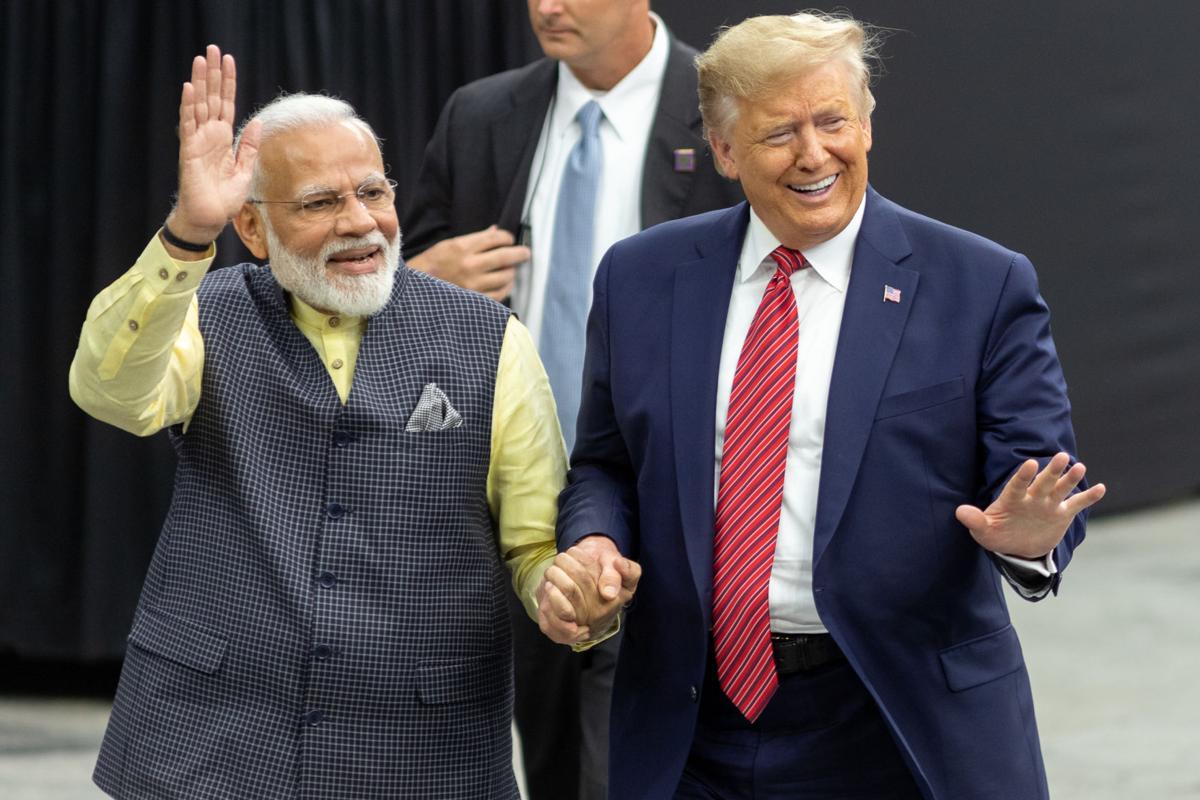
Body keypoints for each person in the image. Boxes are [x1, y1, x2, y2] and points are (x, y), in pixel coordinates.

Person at [539, 11, 1108, 800]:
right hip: (690, 724)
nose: (815, 155)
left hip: (896, 724)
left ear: (867, 123)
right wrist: (595, 541)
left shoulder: (980, 285)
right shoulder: (641, 278)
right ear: (726, 150)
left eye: (833, 121)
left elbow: (1039, 481)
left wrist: (1028, 538)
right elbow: (605, 461)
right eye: (779, 134)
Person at [69, 45, 566, 799]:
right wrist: (185, 235)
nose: (361, 222)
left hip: (423, 749)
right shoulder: (204, 312)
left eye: (373, 191)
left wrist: (572, 594)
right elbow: (109, 391)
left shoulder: (490, 338)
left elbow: (535, 543)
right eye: (320, 202)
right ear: (253, 228)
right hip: (208, 741)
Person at [401, 2, 742, 797]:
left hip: (672, 491)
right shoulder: (482, 114)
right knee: (550, 754)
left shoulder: (727, 104)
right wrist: (425, 280)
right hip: (517, 495)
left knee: (632, 764)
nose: (547, 6)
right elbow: (390, 284)